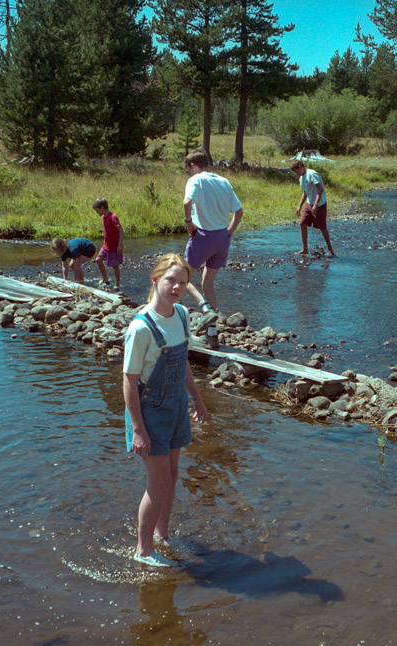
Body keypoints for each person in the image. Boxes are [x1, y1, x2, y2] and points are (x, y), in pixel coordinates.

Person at [123, 253, 208, 568]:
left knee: (172, 476)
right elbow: (129, 382)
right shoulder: (141, 328)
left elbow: (183, 360)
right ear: (155, 279)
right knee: (158, 482)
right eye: (171, 280)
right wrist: (138, 430)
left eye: (182, 283)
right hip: (149, 412)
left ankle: (162, 536)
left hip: (176, 406)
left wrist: (197, 399)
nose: (176, 287)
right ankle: (143, 552)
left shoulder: (183, 315)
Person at [183, 148, 243, 349]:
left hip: (203, 236)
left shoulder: (195, 180)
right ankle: (212, 334)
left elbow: (187, 201)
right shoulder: (223, 181)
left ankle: (205, 309)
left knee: (183, 278)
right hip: (222, 238)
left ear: (193, 165)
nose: (189, 173)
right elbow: (239, 211)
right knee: (207, 283)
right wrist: (229, 232)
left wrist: (189, 222)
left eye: (188, 169)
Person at [291, 160, 336, 257]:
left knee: (322, 228)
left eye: (297, 171)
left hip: (319, 204)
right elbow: (305, 192)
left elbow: (320, 189)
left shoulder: (312, 174)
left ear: (300, 166)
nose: (297, 173)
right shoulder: (301, 178)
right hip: (309, 203)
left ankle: (330, 249)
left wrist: (316, 205)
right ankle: (305, 249)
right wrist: (299, 206)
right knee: (302, 224)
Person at [92, 197, 124, 290]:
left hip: (114, 246)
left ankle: (117, 284)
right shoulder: (103, 217)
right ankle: (105, 279)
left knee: (115, 266)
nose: (96, 212)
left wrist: (120, 245)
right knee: (98, 259)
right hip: (106, 245)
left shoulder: (113, 217)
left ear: (102, 208)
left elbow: (121, 231)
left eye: (97, 210)